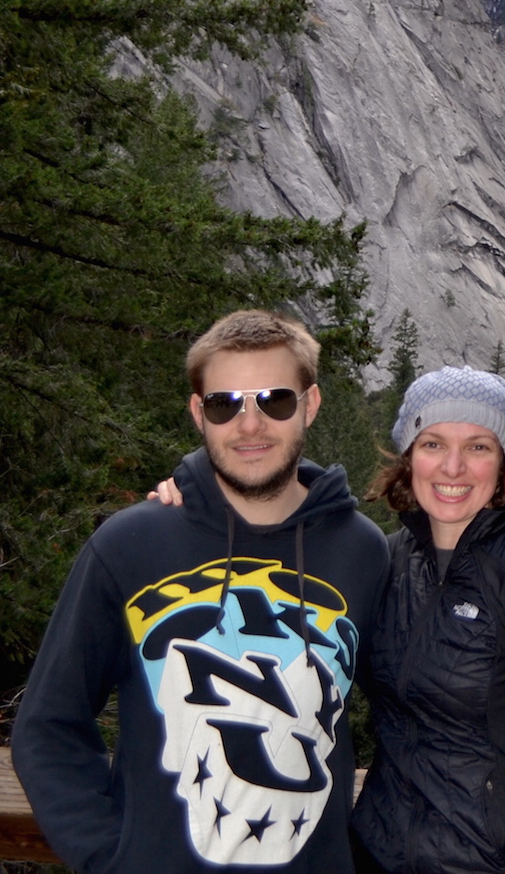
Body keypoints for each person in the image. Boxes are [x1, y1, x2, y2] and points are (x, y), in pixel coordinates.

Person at [12, 309, 390, 874]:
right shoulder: (130, 543)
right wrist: (111, 856)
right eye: (225, 404)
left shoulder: (363, 550)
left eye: (275, 400)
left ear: (310, 404)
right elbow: (48, 725)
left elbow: (407, 714)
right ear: (199, 414)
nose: (250, 423)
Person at [349, 366, 505, 874]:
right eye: (434, 444)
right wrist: (191, 501)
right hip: (375, 856)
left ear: (503, 462)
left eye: (479, 447)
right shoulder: (385, 563)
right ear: (409, 457)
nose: (454, 467)